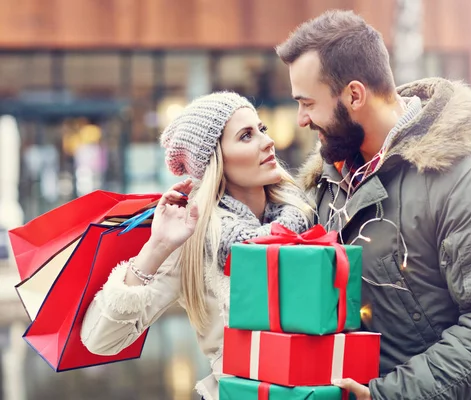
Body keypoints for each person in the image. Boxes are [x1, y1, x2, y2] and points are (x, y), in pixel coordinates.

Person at [276, 10, 471, 400]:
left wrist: (389, 395)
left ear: (354, 95)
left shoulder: (469, 182)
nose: (301, 119)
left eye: (308, 103)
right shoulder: (332, 176)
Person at [80, 92, 313, 400]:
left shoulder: (308, 214)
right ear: (216, 160)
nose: (267, 142)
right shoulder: (196, 237)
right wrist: (157, 247)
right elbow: (99, 340)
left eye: (262, 129)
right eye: (246, 136)